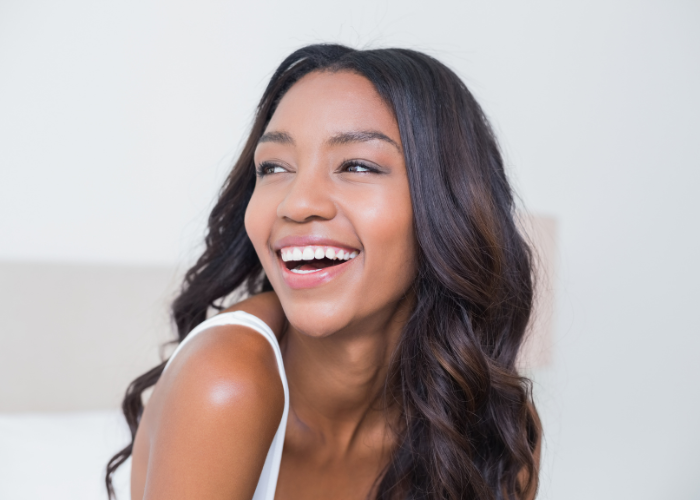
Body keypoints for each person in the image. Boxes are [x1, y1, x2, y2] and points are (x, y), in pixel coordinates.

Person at [106, 44, 541, 500]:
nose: (297, 203)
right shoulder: (225, 382)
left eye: (356, 165)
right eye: (273, 167)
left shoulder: (493, 422)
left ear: (449, 206)